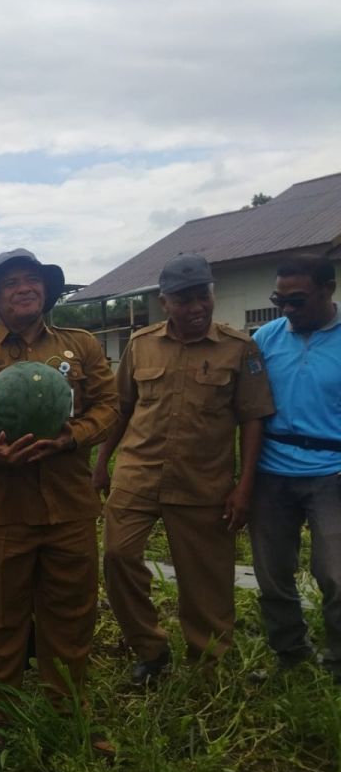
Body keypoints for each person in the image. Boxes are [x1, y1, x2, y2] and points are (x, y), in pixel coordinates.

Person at [0, 249, 118, 742]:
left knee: (72, 612)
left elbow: (108, 406)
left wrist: (71, 437)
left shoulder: (80, 346)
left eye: (33, 280)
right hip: (1, 509)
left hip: (68, 505)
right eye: (12, 283)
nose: (25, 288)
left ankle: (70, 708)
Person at [94, 253, 273, 687]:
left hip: (203, 481)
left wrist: (244, 487)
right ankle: (150, 649)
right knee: (118, 557)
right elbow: (121, 408)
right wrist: (101, 463)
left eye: (203, 297)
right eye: (184, 299)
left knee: (205, 580)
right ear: (164, 301)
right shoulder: (141, 344)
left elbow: (253, 418)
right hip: (138, 473)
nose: (196, 308)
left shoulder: (238, 348)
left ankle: (208, 663)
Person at [249, 251, 341, 683]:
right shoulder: (267, 337)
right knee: (272, 573)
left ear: (328, 290)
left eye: (297, 300)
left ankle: (338, 659)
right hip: (271, 471)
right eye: (279, 299)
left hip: (331, 472)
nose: (286, 309)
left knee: (335, 572)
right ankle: (290, 654)